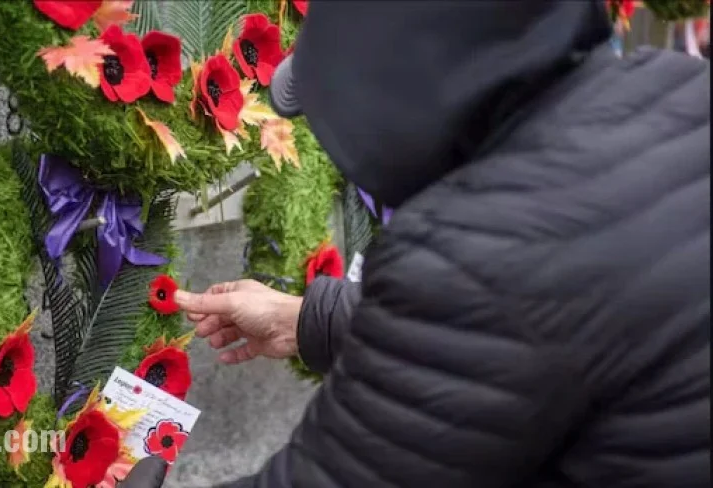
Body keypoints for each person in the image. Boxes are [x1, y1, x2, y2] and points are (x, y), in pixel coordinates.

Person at [123, 1, 710, 487]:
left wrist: (136, 464)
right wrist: (304, 321)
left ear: (397, 103)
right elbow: (535, 322)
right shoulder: (682, 97)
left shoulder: (478, 246)